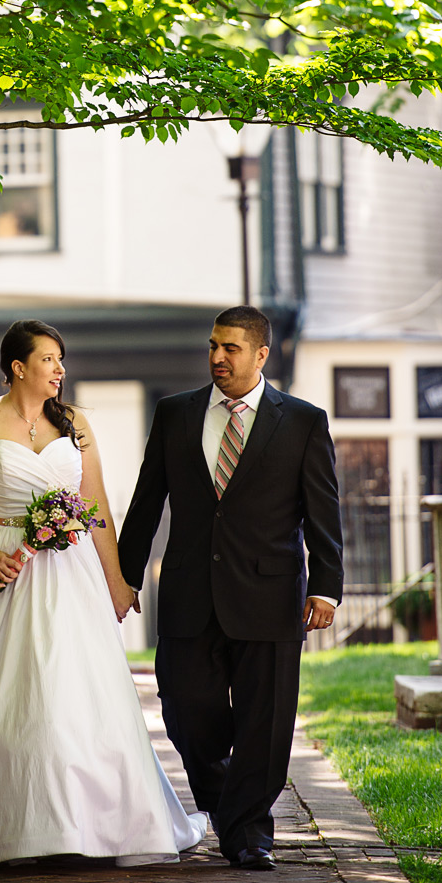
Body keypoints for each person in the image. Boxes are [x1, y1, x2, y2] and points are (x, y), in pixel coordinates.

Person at [0, 319, 208, 873]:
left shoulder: (76, 423)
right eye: (50, 359)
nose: (60, 370)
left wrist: (117, 583)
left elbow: (96, 504)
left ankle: (76, 824)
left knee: (66, 693)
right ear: (18, 367)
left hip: (66, 572)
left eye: (62, 360)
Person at [118, 306, 344, 872]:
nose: (218, 357)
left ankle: (247, 834)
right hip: (190, 595)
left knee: (264, 723)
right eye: (213, 346)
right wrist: (122, 576)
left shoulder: (302, 421)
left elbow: (323, 513)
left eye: (232, 348)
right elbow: (148, 502)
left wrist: (326, 587)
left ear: (261, 354)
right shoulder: (175, 413)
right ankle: (228, 811)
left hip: (270, 596)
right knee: (188, 715)